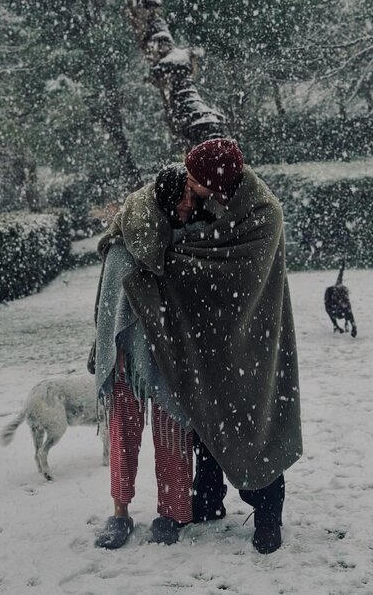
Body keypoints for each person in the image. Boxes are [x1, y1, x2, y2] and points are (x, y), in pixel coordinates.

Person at [93, 138, 302, 554]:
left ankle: (267, 514)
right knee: (207, 416)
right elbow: (158, 211)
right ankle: (206, 500)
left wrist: (166, 260)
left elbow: (227, 269)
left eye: (195, 182)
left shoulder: (262, 215)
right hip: (204, 337)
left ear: (216, 183)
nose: (189, 188)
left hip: (250, 338)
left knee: (251, 421)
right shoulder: (200, 201)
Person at [91, 164, 212, 549]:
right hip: (126, 353)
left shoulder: (191, 237)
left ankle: (171, 513)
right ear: (164, 199)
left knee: (173, 434)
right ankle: (120, 513)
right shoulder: (127, 237)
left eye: (192, 197)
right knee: (122, 435)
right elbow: (108, 302)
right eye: (183, 197)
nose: (189, 204)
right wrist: (104, 341)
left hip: (170, 356)